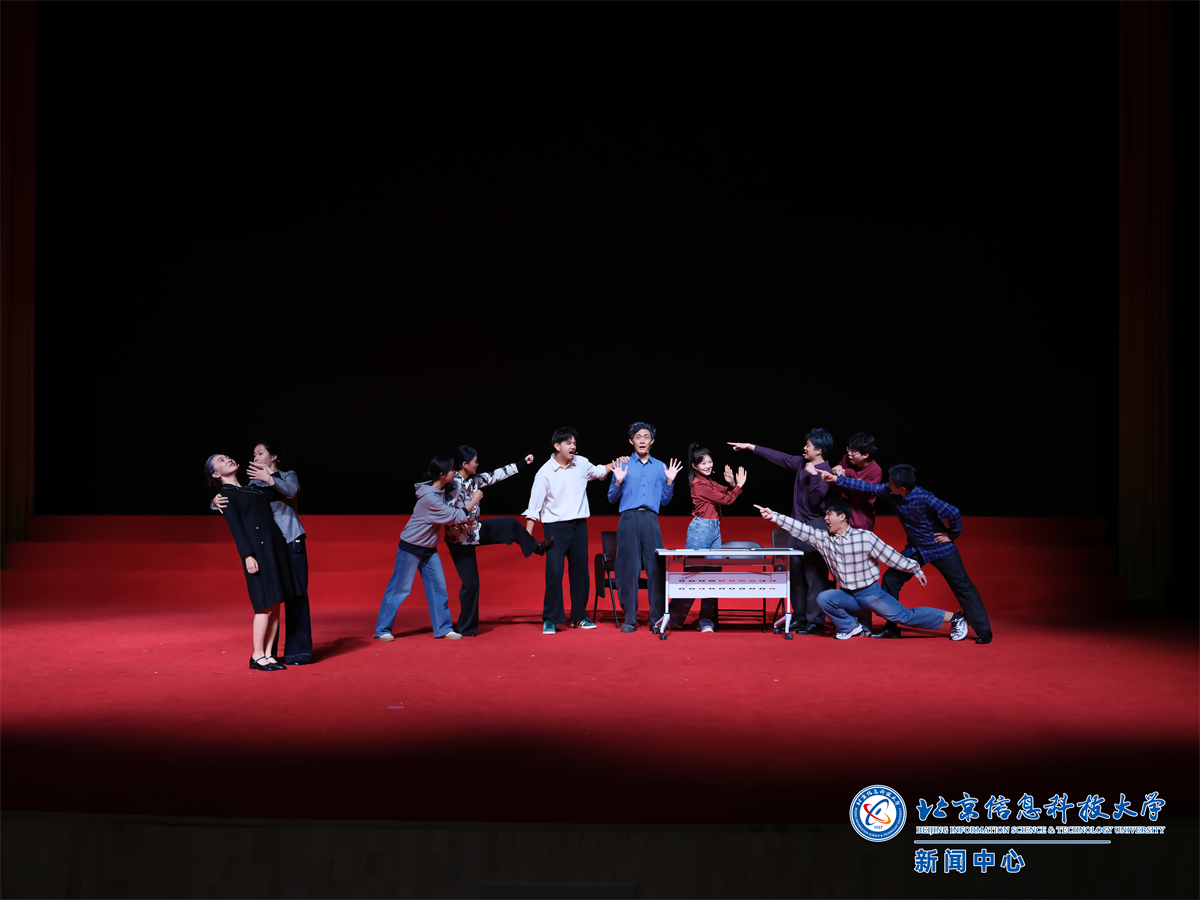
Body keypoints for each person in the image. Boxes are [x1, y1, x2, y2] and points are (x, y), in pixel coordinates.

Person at [813, 462, 994, 644]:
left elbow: (953, 512)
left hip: (939, 548)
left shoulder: (925, 498)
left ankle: (983, 630)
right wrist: (835, 478)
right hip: (916, 549)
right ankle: (891, 628)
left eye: (891, 483)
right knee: (890, 580)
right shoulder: (891, 491)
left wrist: (951, 534)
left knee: (963, 585)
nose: (887, 484)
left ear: (902, 488)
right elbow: (868, 487)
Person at [755, 496, 968, 641]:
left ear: (842, 517)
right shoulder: (823, 538)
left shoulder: (864, 537)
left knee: (904, 616)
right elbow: (800, 529)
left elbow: (890, 555)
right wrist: (774, 516)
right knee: (824, 598)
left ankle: (955, 618)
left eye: (829, 514)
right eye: (825, 514)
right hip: (847, 594)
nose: (825, 519)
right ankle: (849, 627)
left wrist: (915, 568)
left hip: (869, 593)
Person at [212, 440, 313, 664]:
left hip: (290, 539)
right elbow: (236, 497)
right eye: (254, 454)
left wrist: (269, 479)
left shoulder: (287, 475)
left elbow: (291, 491)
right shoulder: (253, 483)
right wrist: (214, 500)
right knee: (272, 598)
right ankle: (268, 654)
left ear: (273, 456)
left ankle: (298, 653)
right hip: (268, 545)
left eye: (260, 453)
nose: (256, 458)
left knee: (297, 596)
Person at [728, 428, 835, 635]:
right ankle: (799, 616)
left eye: (808, 445)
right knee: (794, 573)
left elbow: (816, 501)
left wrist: (814, 476)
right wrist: (750, 447)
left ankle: (816, 621)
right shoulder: (802, 463)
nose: (804, 448)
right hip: (795, 527)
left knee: (814, 575)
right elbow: (779, 457)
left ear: (819, 450)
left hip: (815, 527)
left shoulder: (825, 471)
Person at [445, 444, 554, 637]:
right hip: (459, 539)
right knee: (471, 584)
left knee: (509, 523)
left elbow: (497, 474)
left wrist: (523, 463)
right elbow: (451, 516)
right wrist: (473, 502)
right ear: (464, 464)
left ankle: (535, 547)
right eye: (475, 461)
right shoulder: (453, 485)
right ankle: (466, 628)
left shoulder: (475, 479)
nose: (478, 464)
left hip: (475, 531)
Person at [374, 456, 483, 642]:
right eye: (451, 470)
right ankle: (382, 629)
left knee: (439, 589)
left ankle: (443, 628)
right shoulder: (430, 498)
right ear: (442, 474)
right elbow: (455, 516)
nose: (454, 472)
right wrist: (474, 500)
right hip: (411, 547)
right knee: (399, 589)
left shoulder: (440, 490)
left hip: (429, 549)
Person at [524, 427, 619, 635]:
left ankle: (578, 617)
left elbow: (599, 471)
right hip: (555, 529)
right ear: (557, 446)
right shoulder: (544, 473)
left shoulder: (582, 463)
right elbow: (533, 508)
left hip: (579, 527)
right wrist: (527, 536)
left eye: (574, 443)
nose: (573, 446)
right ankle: (551, 619)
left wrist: (616, 464)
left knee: (580, 574)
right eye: (568, 443)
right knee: (554, 572)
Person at [607, 422, 683, 633]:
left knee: (656, 568)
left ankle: (656, 619)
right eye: (638, 437)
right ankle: (630, 619)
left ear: (652, 441)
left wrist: (669, 482)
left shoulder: (660, 467)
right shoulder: (622, 464)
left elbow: (665, 501)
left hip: (650, 519)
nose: (642, 440)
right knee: (628, 569)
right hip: (628, 519)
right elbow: (611, 498)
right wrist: (618, 482)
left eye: (646, 437)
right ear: (631, 441)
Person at [666, 443, 748, 633]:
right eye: (703, 463)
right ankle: (674, 619)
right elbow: (727, 499)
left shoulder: (709, 482)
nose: (708, 466)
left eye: (710, 462)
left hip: (714, 529)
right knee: (692, 575)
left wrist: (732, 484)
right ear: (694, 466)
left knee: (713, 577)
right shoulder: (698, 484)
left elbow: (725, 491)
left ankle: (706, 621)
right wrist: (739, 486)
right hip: (700, 530)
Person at [829, 432, 883, 531]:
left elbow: (857, 499)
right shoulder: (847, 459)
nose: (849, 453)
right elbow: (834, 489)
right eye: (849, 449)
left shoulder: (875, 471)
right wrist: (836, 472)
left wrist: (849, 473)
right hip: (841, 514)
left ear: (865, 455)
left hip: (861, 518)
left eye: (854, 451)